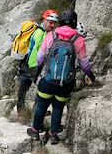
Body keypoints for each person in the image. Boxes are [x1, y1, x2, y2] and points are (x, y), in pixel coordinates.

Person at [27, 9, 96, 144]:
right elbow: (83, 63)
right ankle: (53, 134)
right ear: (74, 22)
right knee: (58, 107)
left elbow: (40, 58)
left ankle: (35, 131)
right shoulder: (79, 39)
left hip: (48, 80)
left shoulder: (51, 35)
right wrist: (91, 75)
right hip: (65, 83)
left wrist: (40, 69)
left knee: (41, 105)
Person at [16, 9, 59, 114]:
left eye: (54, 23)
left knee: (24, 87)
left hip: (26, 63)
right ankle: (37, 110)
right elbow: (37, 51)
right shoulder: (41, 33)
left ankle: (20, 110)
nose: (52, 25)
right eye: (50, 22)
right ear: (44, 20)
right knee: (41, 88)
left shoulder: (38, 31)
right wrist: (37, 66)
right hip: (34, 65)